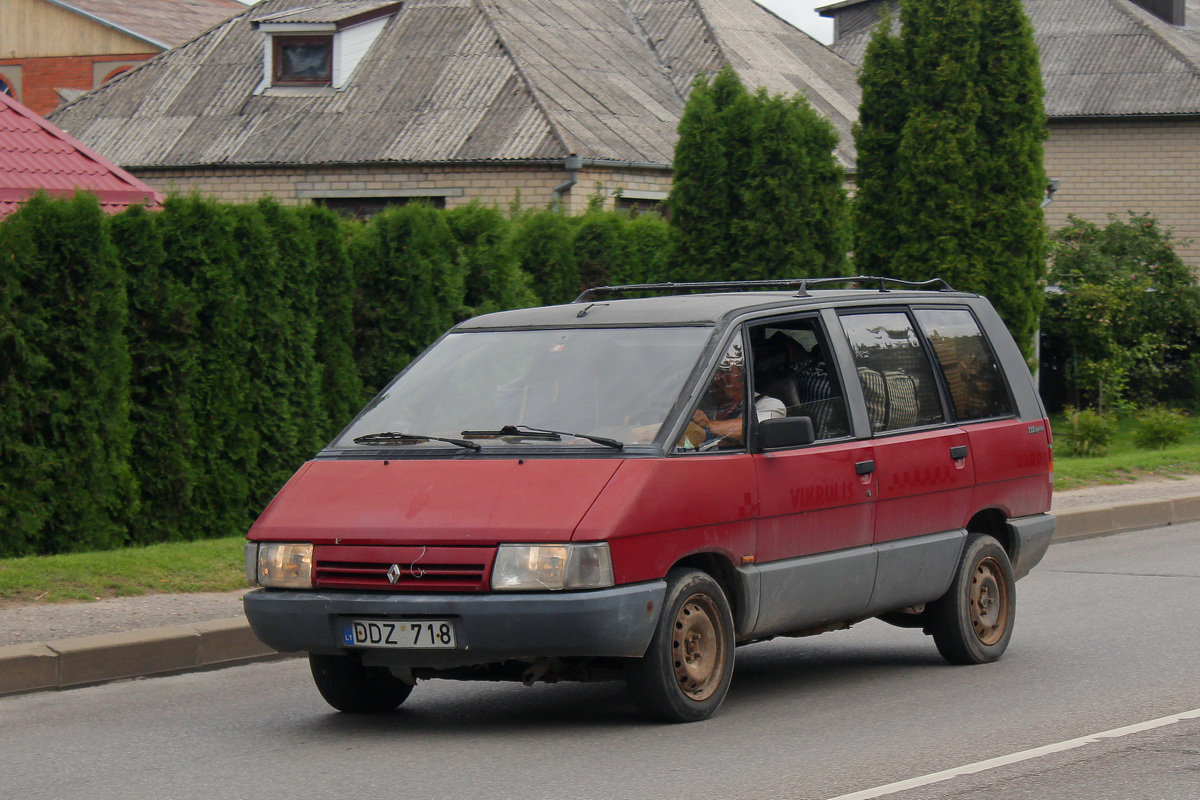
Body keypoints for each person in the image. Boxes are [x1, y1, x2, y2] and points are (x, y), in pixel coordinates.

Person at [680, 342, 784, 449]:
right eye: (713, 373)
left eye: (723, 371)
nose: (715, 378)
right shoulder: (701, 403)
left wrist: (708, 425)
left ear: (741, 373)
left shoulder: (771, 405)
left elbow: (755, 428)